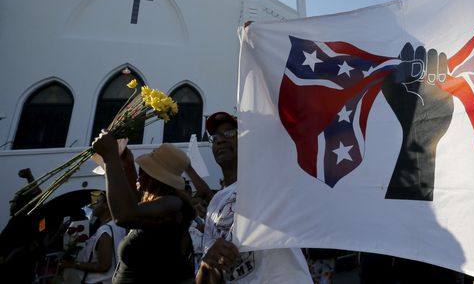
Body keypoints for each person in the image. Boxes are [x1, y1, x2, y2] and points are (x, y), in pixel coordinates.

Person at [196, 111, 312, 284]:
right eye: (215, 137)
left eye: (229, 133)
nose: (220, 140)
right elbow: (205, 279)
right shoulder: (215, 203)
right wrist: (207, 264)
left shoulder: (271, 179)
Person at [92, 136, 196, 283]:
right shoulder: (161, 204)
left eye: (143, 172)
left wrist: (111, 159)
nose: (138, 178)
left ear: (154, 178)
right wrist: (127, 166)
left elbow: (124, 215)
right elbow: (136, 204)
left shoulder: (173, 204)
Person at [62, 191, 126, 284]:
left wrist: (73, 265)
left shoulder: (105, 230)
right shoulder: (119, 226)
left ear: (106, 205)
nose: (93, 205)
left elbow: (103, 266)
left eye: (97, 202)